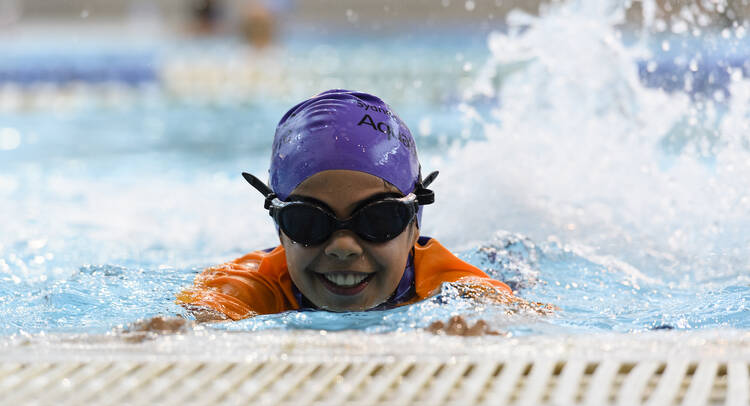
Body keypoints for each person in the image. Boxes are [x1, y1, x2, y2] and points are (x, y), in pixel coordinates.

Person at [177, 89, 538, 322]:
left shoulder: (451, 287)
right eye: (308, 221)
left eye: (379, 218)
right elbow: (200, 316)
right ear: (281, 230)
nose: (343, 247)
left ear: (414, 225)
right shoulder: (257, 282)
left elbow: (523, 323)